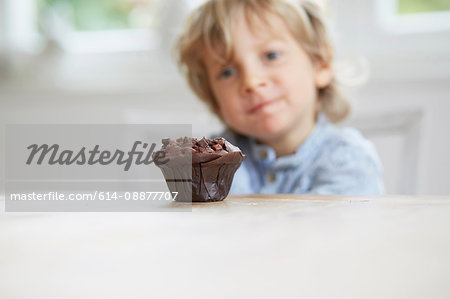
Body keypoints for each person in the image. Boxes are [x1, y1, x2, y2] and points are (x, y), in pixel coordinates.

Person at [174, 0, 384, 194]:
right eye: (227, 72)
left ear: (320, 63)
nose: (251, 81)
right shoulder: (212, 160)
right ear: (214, 98)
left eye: (271, 55)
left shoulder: (348, 160)